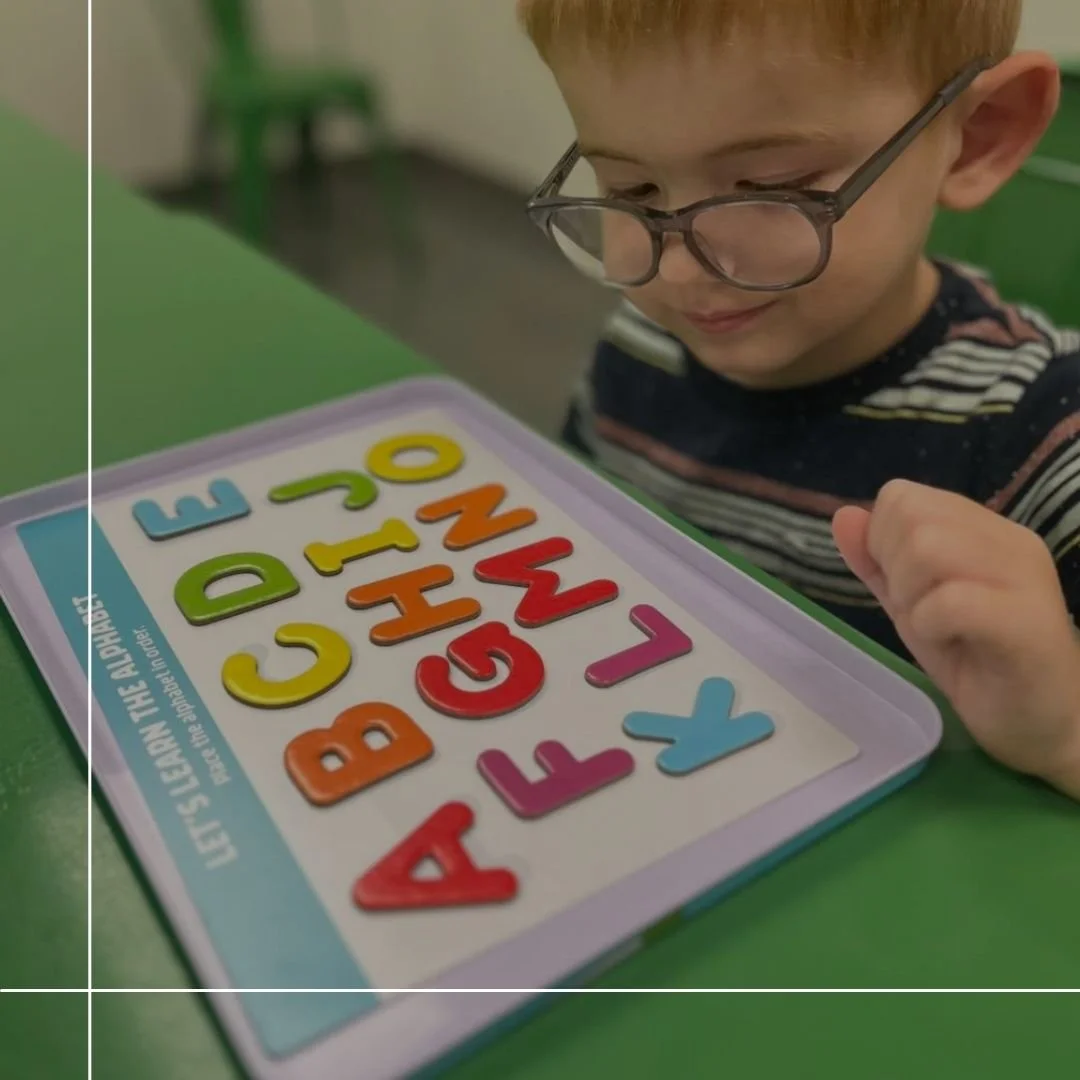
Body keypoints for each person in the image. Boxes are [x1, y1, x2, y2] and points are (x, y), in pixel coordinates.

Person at [517, 0, 1080, 800]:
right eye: (632, 187)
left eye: (771, 188)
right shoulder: (638, 348)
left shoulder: (1043, 432)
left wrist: (1063, 731)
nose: (677, 273)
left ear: (977, 135)